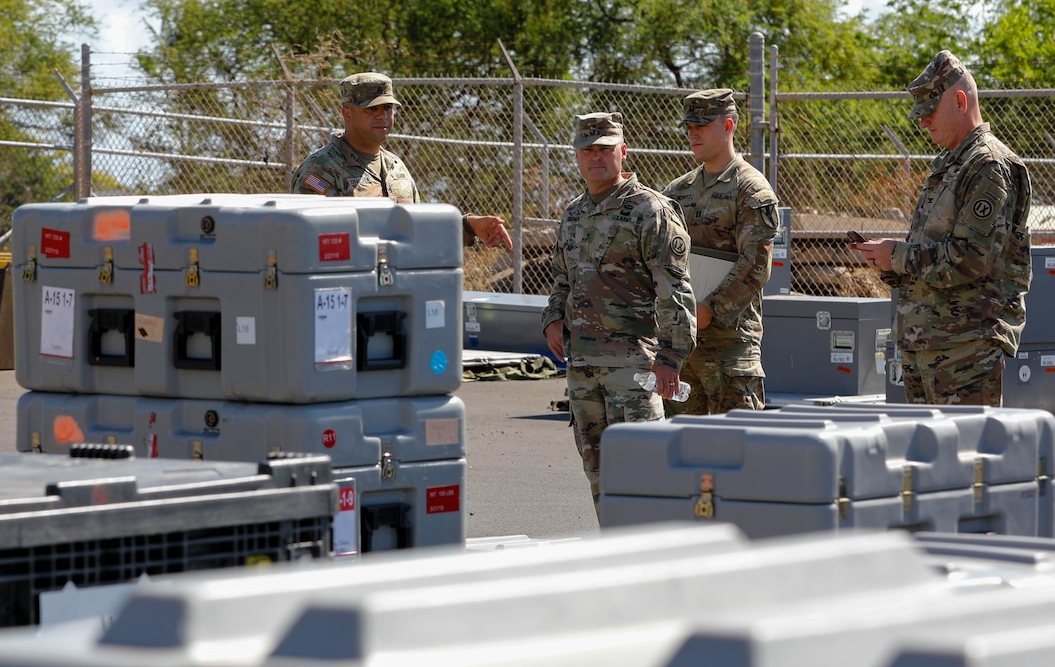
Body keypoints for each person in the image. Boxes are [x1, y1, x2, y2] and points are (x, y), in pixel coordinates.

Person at [852, 50, 1032, 406]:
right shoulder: (952, 163)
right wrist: (887, 262)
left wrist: (898, 256)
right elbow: (932, 253)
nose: (923, 123)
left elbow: (969, 260)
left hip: (964, 351)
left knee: (964, 458)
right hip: (930, 345)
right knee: (925, 459)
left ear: (960, 101)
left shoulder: (988, 166)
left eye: (929, 112)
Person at [542, 112, 697, 518]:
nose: (596, 158)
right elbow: (562, 275)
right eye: (587, 150)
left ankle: (654, 562)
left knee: (645, 471)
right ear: (576, 156)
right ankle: (616, 554)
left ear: (623, 152)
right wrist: (552, 317)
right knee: (599, 473)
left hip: (634, 365)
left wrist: (671, 359)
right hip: (584, 366)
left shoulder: (650, 210)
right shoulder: (573, 212)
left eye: (605, 150)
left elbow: (675, 289)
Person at [291, 71, 512, 249]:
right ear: (347, 114)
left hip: (400, 290)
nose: (382, 116)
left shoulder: (396, 168)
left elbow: (417, 231)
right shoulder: (321, 171)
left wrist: (469, 226)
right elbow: (308, 245)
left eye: (388, 108)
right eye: (371, 109)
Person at [661, 88, 779, 415]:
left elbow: (756, 265)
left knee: (739, 454)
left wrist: (709, 309)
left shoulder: (750, 188)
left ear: (728, 126)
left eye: (701, 125)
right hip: (684, 349)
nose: (692, 133)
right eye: (689, 127)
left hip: (731, 349)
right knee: (682, 455)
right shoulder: (677, 191)